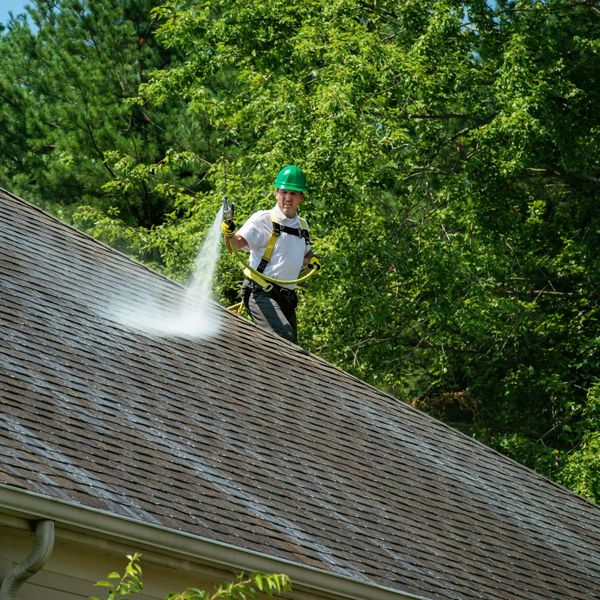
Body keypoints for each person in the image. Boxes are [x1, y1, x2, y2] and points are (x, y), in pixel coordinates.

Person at [221, 164, 321, 343]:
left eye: (293, 193)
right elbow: (233, 246)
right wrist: (228, 233)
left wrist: (311, 259)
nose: (287, 198)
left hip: (287, 298)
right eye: (283, 192)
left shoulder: (302, 226)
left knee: (292, 347)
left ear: (301, 197)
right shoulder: (264, 219)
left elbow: (305, 253)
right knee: (284, 340)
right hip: (261, 291)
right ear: (276, 193)